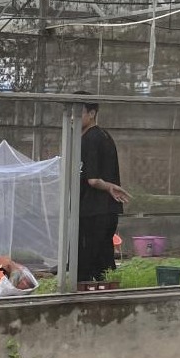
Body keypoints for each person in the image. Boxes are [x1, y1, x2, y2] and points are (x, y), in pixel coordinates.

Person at [77, 95, 131, 282]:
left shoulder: (90, 139)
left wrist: (107, 187)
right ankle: (108, 293)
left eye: (78, 113)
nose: (72, 118)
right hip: (106, 211)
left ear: (92, 113)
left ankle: (84, 294)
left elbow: (92, 180)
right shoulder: (104, 136)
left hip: (92, 210)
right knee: (104, 260)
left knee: (85, 262)